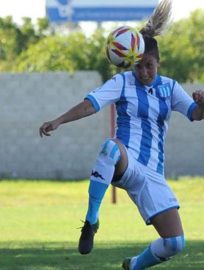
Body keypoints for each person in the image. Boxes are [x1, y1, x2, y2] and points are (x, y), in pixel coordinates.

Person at [39, 0, 204, 269]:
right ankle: (91, 220)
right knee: (109, 148)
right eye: (138, 66)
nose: (144, 72)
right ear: (130, 62)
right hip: (125, 162)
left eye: (149, 65)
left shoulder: (170, 88)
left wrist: (203, 103)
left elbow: (196, 114)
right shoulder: (122, 82)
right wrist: (59, 121)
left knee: (175, 243)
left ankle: (134, 266)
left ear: (158, 63)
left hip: (152, 174)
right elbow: (91, 104)